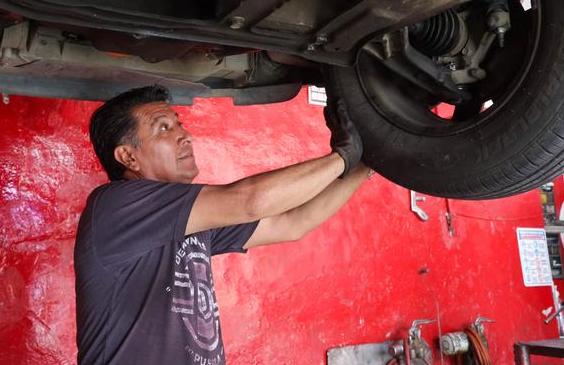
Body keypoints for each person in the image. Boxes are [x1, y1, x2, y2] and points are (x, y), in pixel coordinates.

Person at [75, 84, 371, 365]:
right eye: (164, 127)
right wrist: (342, 157)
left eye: (179, 124)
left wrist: (366, 165)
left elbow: (291, 223)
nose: (186, 135)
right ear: (128, 156)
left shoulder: (190, 219)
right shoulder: (116, 206)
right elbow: (250, 200)